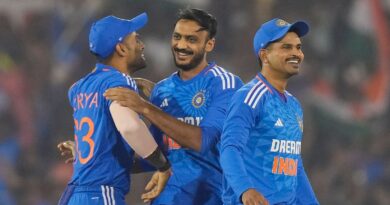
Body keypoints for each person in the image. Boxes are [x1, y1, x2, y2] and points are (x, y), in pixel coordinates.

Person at [103, 8, 243, 205]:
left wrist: (145, 107)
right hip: (169, 197)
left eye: (191, 40)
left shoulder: (225, 83)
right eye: (177, 37)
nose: (181, 45)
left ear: (209, 44)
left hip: (210, 196)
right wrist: (95, 154)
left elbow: (202, 141)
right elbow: (153, 153)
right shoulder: (162, 90)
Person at [57, 13, 171, 205]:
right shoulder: (118, 81)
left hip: (75, 195)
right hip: (102, 194)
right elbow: (130, 128)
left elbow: (101, 135)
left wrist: (84, 155)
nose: (142, 45)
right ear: (121, 49)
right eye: (136, 39)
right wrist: (163, 165)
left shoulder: (80, 87)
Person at [219, 19, 319, 205]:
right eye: (286, 47)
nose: (296, 53)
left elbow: (293, 165)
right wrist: (245, 189)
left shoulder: (294, 105)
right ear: (264, 56)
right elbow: (229, 149)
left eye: (298, 47)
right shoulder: (250, 96)